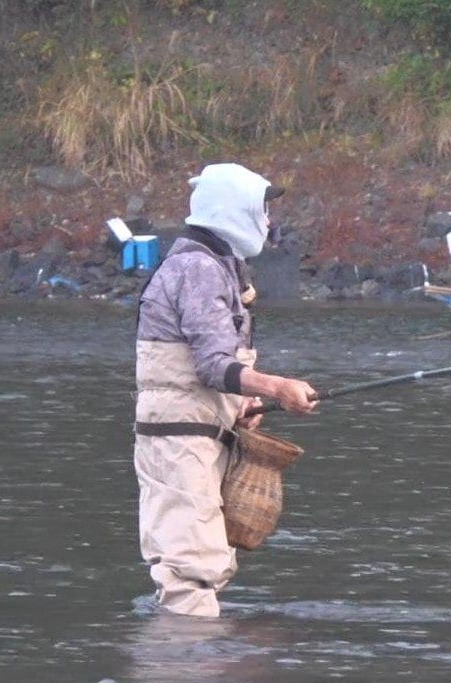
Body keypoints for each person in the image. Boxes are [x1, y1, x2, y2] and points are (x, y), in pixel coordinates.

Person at [134, 162, 318, 617]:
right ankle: (187, 670)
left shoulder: (218, 266)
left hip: (203, 437)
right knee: (190, 570)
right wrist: (277, 387)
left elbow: (213, 362)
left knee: (209, 562)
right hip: (179, 444)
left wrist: (247, 400)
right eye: (261, 209)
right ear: (232, 210)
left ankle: (197, 665)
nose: (269, 220)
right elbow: (214, 364)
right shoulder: (197, 269)